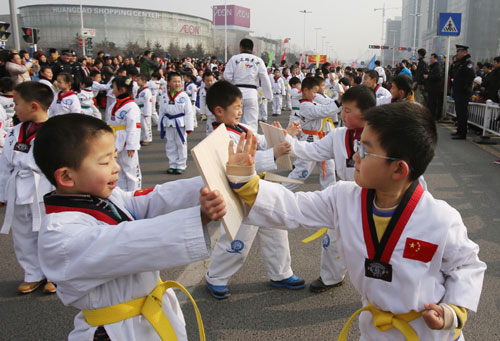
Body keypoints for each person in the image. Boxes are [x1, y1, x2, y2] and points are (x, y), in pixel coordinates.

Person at [226, 102, 486, 340]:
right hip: (374, 330)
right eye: (357, 145)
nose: (355, 156)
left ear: (398, 169)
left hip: (427, 333)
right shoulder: (343, 198)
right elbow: (293, 208)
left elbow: (466, 266)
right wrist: (247, 183)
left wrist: (453, 311)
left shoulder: (440, 218)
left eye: (365, 150)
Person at [33, 113, 226, 340]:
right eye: (105, 162)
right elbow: (125, 242)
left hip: (148, 319)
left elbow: (150, 200)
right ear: (66, 176)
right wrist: (198, 218)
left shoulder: (105, 198)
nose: (116, 167)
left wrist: (213, 181)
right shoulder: (59, 235)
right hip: (115, 331)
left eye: (115, 157)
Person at [204, 80, 305, 300]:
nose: (241, 111)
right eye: (236, 108)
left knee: (275, 226)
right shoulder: (218, 136)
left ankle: (281, 273)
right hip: (238, 194)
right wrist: (274, 154)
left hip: (259, 187)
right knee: (237, 239)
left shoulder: (241, 128)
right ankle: (216, 277)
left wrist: (285, 135)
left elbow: (261, 142)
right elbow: (240, 162)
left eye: (241, 106)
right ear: (219, 111)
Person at [282, 85, 376, 292]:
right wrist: (286, 139)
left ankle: (381, 290)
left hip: (379, 197)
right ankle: (331, 277)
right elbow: (310, 151)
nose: (342, 114)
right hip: (348, 194)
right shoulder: (339, 135)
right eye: (342, 109)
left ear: (367, 112)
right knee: (333, 238)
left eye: (348, 111)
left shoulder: (384, 134)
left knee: (377, 244)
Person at [0, 81, 55, 294]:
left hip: (45, 187)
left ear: (33, 106)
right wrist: (3, 192)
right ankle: (33, 273)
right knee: (22, 234)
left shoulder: (55, 132)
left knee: (48, 233)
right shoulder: (14, 131)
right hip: (18, 186)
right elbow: (5, 164)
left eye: (16, 104)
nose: (14, 109)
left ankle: (54, 275)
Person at [285, 77, 339, 190]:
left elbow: (327, 105)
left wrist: (340, 99)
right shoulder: (305, 106)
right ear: (305, 90)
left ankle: (330, 194)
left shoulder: (312, 103)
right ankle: (281, 190)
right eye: (314, 92)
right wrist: (339, 102)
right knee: (301, 172)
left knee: (329, 168)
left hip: (320, 139)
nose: (315, 95)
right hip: (310, 140)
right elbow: (324, 111)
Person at [223, 38, 272, 132]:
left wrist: (234, 82)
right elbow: (265, 78)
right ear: (252, 49)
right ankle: (251, 145)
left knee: (235, 122)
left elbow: (227, 76)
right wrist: (268, 95)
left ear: (240, 47)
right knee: (251, 124)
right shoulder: (258, 60)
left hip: (236, 93)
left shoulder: (234, 59)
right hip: (252, 94)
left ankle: (237, 144)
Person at [107, 76, 142, 191]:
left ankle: (134, 195)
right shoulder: (113, 105)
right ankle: (121, 194)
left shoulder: (132, 106)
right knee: (118, 170)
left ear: (122, 90)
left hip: (126, 140)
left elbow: (134, 127)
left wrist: (132, 145)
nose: (112, 91)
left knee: (130, 170)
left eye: (114, 88)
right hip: (115, 140)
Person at [159, 71, 194, 175]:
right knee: (170, 144)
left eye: (179, 81)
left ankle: (181, 165)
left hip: (180, 123)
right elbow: (161, 111)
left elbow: (189, 112)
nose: (177, 84)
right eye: (174, 82)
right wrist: (162, 128)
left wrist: (189, 127)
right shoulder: (164, 96)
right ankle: (172, 164)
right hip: (168, 122)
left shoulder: (184, 96)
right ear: (168, 83)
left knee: (181, 144)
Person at [451, 45, 475, 140]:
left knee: (462, 113)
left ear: (464, 52)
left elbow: (471, 76)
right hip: (458, 92)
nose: (457, 53)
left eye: (459, 51)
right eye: (457, 51)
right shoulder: (460, 63)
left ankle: (462, 133)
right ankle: (459, 131)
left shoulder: (468, 63)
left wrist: (465, 87)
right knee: (459, 112)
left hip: (463, 92)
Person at [135, 74, 153, 146]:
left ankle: (147, 139)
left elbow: (148, 102)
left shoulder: (147, 91)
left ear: (144, 81)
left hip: (144, 109)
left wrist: (147, 113)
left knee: (146, 125)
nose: (137, 81)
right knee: (141, 126)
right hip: (139, 109)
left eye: (138, 80)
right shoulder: (139, 90)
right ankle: (142, 138)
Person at [425, 53, 443, 120]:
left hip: (435, 88)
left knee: (433, 103)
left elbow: (438, 76)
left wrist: (428, 76)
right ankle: (430, 116)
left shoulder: (437, 67)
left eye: (432, 58)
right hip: (431, 88)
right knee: (430, 103)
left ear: (436, 59)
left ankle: (433, 116)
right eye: (430, 58)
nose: (430, 59)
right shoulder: (432, 66)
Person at [198, 70, 215, 135]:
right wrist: (202, 113)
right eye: (207, 81)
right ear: (204, 81)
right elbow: (202, 103)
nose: (209, 82)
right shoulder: (202, 91)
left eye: (211, 80)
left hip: (218, 112)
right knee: (209, 128)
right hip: (209, 112)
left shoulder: (217, 88)